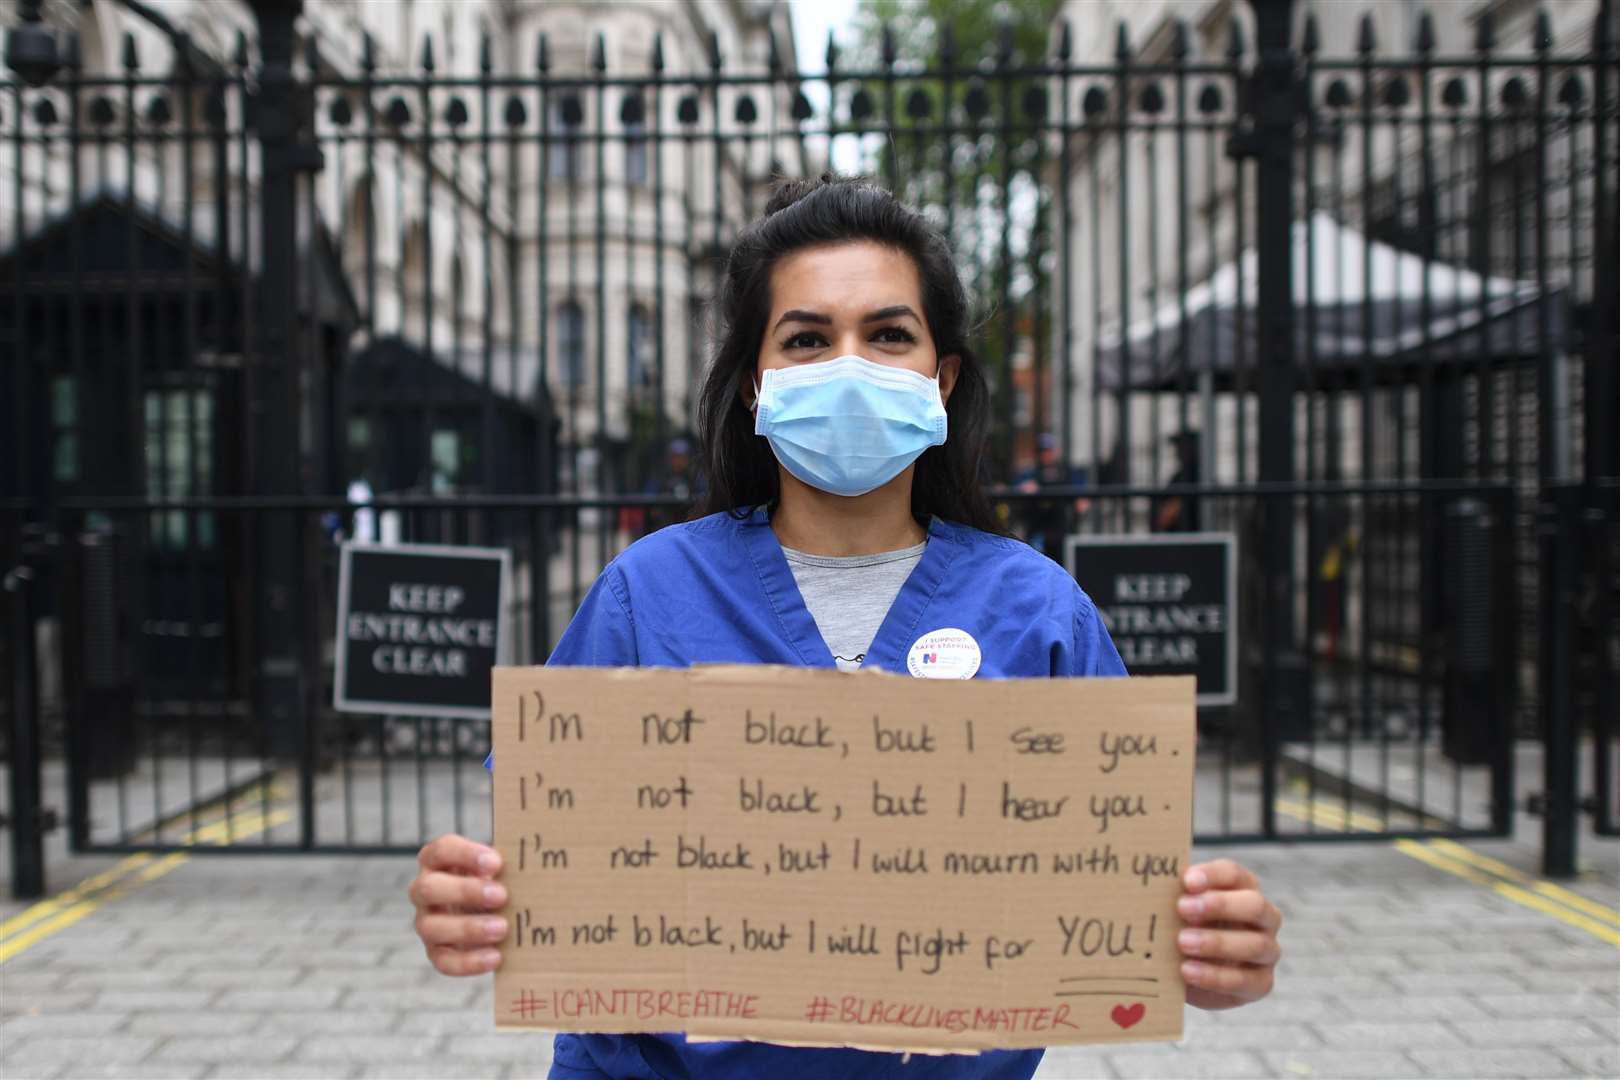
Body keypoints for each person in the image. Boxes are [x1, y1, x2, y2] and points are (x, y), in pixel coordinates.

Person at [408, 175, 1281, 1079]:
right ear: (756, 384)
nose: (850, 367)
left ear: (941, 380)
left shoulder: (1041, 614)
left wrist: (1213, 952)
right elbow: (539, 869)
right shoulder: (645, 593)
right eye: (809, 340)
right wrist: (470, 902)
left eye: (889, 335)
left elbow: (1127, 907)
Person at [1151, 430, 1202, 533]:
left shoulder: (1189, 474)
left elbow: (1169, 512)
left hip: (1186, 533)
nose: (1177, 451)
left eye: (1181, 446)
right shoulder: (1188, 473)